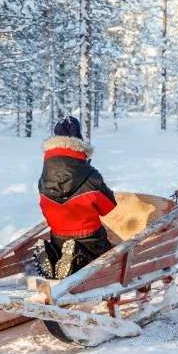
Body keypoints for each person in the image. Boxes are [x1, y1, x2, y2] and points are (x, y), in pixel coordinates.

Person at [34, 116, 117, 279]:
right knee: (104, 259)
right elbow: (108, 207)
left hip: (57, 236)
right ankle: (76, 255)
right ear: (79, 143)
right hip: (91, 238)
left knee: (62, 245)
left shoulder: (44, 178)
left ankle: (55, 257)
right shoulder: (91, 176)